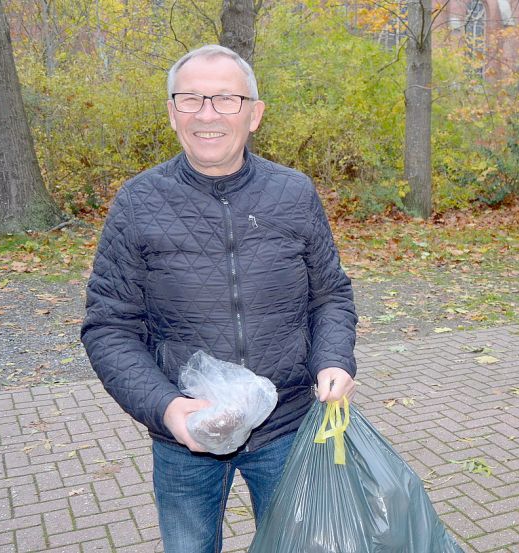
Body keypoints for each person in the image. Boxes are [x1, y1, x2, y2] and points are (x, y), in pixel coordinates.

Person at [80, 44, 358, 553]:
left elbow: (330, 297)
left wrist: (334, 360)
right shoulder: (138, 201)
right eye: (191, 100)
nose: (207, 115)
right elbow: (109, 327)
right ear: (171, 113)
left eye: (226, 99)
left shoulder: (294, 193)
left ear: (254, 114)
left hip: (287, 428)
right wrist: (167, 410)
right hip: (184, 439)